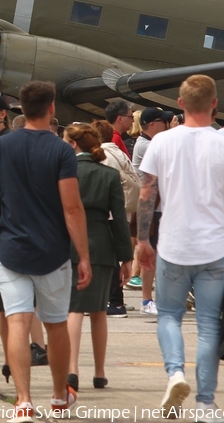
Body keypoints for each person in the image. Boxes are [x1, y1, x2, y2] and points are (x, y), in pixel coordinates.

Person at [0, 81, 91, 421]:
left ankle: (23, 401)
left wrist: (8, 197)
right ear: (51, 108)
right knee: (55, 325)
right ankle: (58, 397)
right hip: (52, 252)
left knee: (18, 323)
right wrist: (83, 256)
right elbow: (71, 208)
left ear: (21, 110)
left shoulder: (3, 146)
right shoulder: (62, 151)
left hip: (11, 250)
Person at [137, 75, 224, 418]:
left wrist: (142, 240)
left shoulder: (161, 143)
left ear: (180, 104)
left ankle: (175, 373)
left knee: (169, 315)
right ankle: (206, 403)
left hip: (174, 245)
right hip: (216, 248)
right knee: (210, 323)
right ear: (215, 104)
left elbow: (147, 195)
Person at [62, 124, 132, 393]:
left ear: (74, 145)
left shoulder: (66, 172)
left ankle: (72, 368)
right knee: (99, 310)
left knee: (74, 309)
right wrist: (126, 257)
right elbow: (119, 220)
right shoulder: (108, 175)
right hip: (102, 245)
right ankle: (100, 372)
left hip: (69, 243)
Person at [90, 120, 140, 319]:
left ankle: (115, 301)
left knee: (107, 260)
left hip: (107, 214)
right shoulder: (119, 153)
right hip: (121, 213)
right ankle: (115, 300)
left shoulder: (103, 155)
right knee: (112, 259)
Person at [133, 107, 173, 316]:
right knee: (151, 254)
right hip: (151, 208)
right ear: (151, 124)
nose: (167, 125)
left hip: (157, 207)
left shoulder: (151, 143)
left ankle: (152, 298)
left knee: (158, 253)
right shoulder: (147, 145)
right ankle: (147, 300)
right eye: (163, 122)